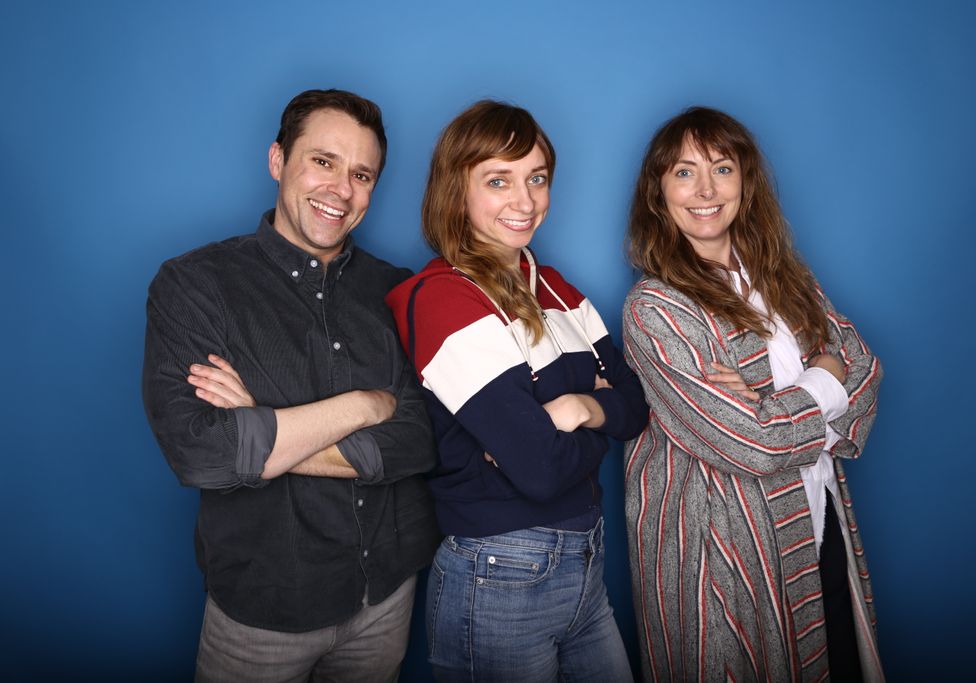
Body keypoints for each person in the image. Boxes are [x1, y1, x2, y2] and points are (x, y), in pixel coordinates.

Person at [142, 88, 439, 682]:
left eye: (361, 175)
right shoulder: (195, 284)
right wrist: (365, 405)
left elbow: (420, 438)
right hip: (263, 613)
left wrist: (265, 431)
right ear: (278, 160)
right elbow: (203, 452)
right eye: (323, 161)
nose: (341, 190)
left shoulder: (397, 289)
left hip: (386, 596)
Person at [385, 101, 649, 682]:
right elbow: (541, 468)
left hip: (586, 562)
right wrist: (594, 421)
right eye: (498, 180)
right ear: (456, 189)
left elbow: (636, 409)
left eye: (537, 178)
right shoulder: (441, 297)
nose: (525, 201)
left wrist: (576, 408)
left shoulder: (556, 289)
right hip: (499, 571)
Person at [621, 106, 884, 682]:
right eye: (685, 172)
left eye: (722, 169)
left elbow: (866, 372)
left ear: (746, 182)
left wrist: (773, 405)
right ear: (658, 193)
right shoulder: (656, 309)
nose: (706, 190)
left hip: (816, 516)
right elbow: (753, 443)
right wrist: (823, 376)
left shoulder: (786, 279)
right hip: (726, 552)